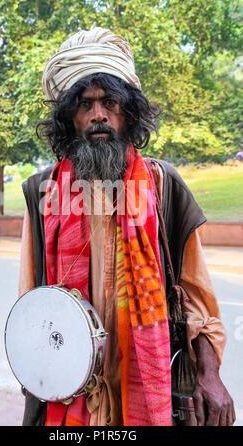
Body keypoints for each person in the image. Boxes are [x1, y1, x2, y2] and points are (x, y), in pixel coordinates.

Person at [18, 28, 235, 427]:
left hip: (150, 390)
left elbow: (198, 299)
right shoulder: (43, 193)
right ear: (70, 117)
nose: (98, 115)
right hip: (71, 395)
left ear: (128, 112)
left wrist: (209, 374)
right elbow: (32, 304)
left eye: (109, 102)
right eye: (85, 105)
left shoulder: (162, 184)